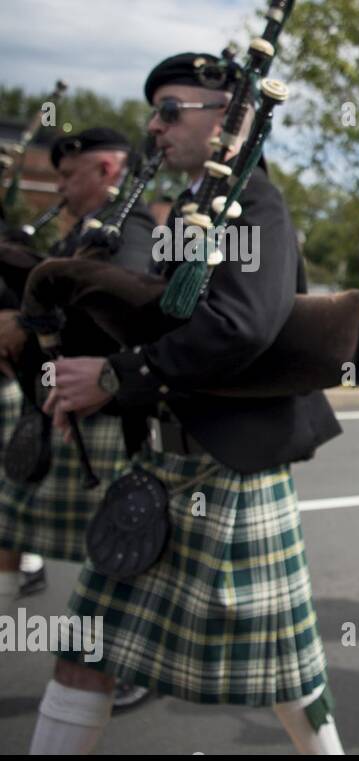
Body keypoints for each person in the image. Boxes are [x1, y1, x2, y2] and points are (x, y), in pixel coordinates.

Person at [27, 52, 344, 754]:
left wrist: (115, 377)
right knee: (86, 650)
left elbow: (242, 326)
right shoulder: (196, 206)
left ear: (229, 119)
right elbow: (168, 316)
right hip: (173, 462)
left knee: (288, 673)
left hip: (227, 468)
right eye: (154, 112)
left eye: (171, 110)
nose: (156, 125)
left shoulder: (253, 203)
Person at [0, 129, 157, 711]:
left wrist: (28, 316)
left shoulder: (132, 231)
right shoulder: (81, 234)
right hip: (61, 405)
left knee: (116, 555)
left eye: (69, 176)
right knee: (12, 526)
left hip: (105, 415)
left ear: (109, 170)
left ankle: (126, 663)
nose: (60, 187)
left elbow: (118, 316)